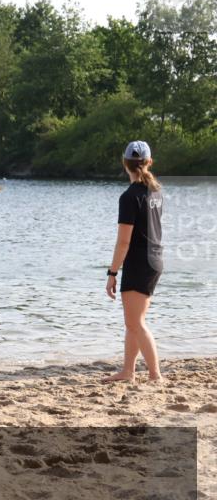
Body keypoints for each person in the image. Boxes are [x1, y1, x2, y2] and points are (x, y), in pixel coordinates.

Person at [104, 141, 163, 383]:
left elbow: (123, 242)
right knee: (133, 320)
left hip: (139, 262)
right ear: (149, 162)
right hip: (154, 260)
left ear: (124, 164)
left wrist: (112, 272)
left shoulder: (129, 197)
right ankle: (128, 371)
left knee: (135, 322)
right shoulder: (156, 191)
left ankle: (155, 374)